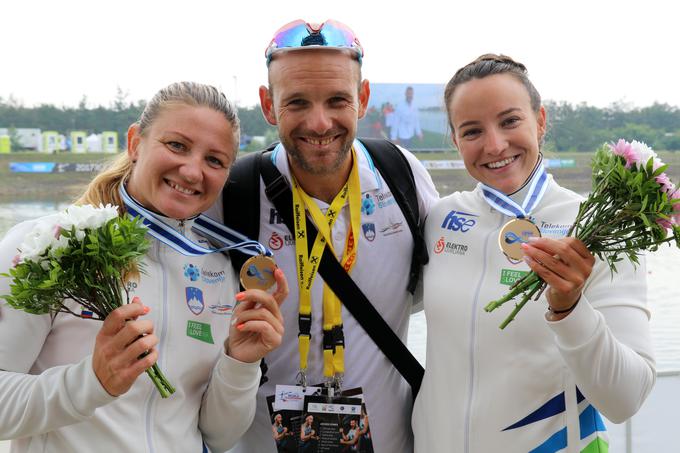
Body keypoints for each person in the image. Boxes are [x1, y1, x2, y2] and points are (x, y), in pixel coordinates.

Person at [0, 82, 288, 453]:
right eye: (177, 145)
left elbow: (219, 436)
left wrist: (241, 361)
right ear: (135, 142)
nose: (192, 171)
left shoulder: (219, 268)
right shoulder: (48, 244)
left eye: (214, 160)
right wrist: (91, 382)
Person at [208, 19, 438, 453]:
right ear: (268, 105)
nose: (319, 123)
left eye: (337, 100)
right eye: (297, 102)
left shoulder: (401, 174)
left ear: (363, 98)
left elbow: (443, 291)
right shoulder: (234, 194)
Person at [411, 54, 656, 452]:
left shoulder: (597, 231)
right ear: (455, 139)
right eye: (472, 131)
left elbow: (626, 398)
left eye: (509, 121)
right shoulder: (441, 217)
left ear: (540, 121)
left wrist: (570, 309)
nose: (494, 144)